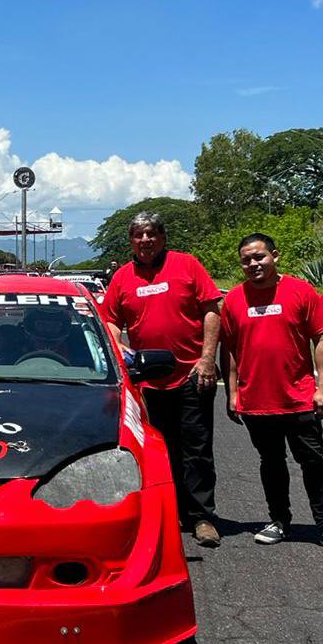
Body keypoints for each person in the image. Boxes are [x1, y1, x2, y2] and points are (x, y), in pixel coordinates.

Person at [220, 233, 323, 557]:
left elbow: (321, 339)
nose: (253, 264)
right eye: (246, 260)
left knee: (313, 461)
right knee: (271, 463)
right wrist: (232, 392)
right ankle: (279, 520)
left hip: (298, 397)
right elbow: (230, 350)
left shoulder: (299, 291)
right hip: (256, 400)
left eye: (259, 257)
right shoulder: (235, 299)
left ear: (275, 256)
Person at [100, 211, 224, 547]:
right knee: (160, 451)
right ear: (131, 241)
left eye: (151, 234)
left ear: (163, 238)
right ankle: (167, 512)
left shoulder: (187, 266)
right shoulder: (123, 278)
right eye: (138, 235)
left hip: (192, 374)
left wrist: (207, 358)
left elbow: (212, 310)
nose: (145, 241)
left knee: (196, 449)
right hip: (148, 382)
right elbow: (110, 321)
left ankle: (201, 518)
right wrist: (125, 355)